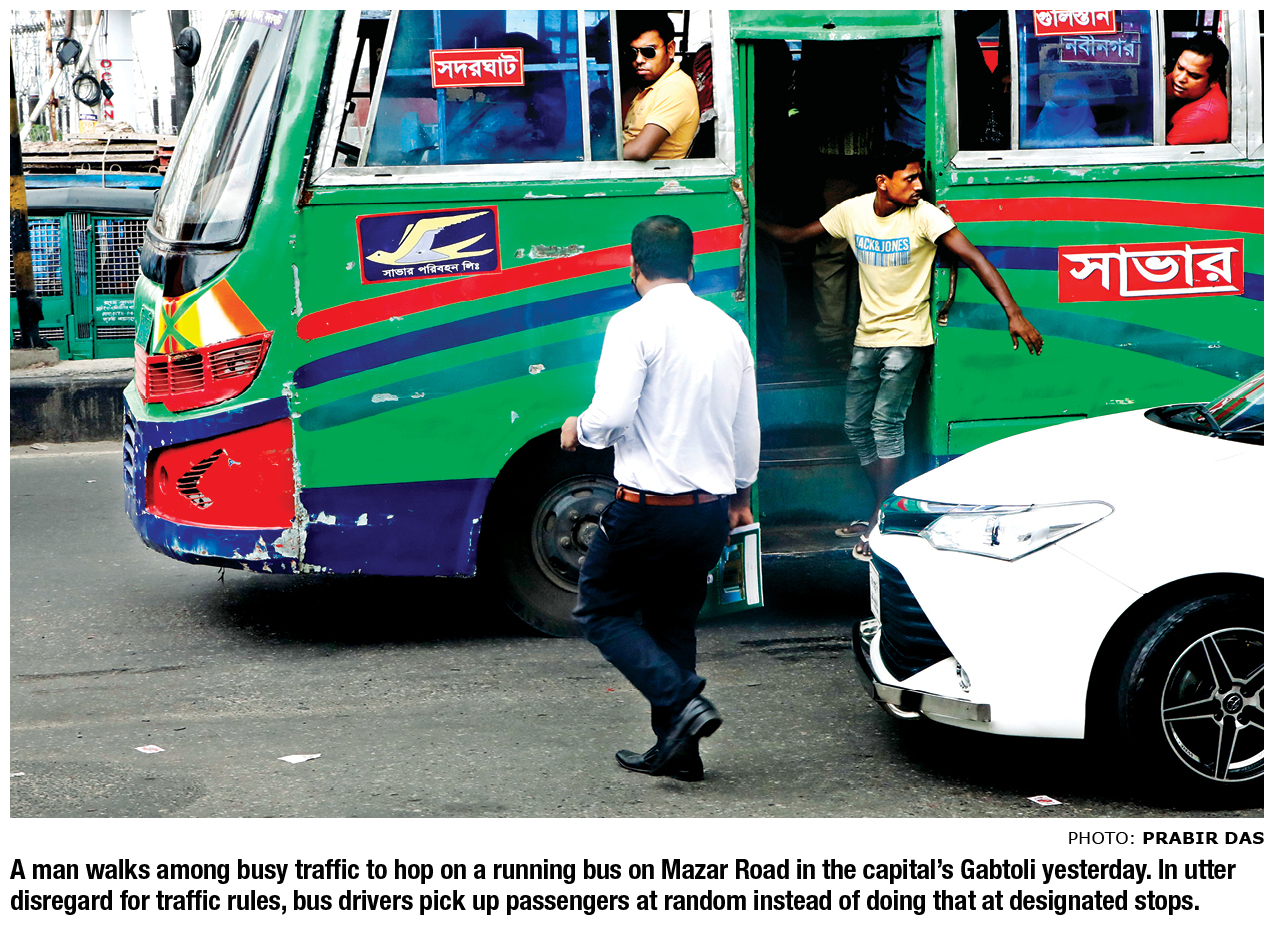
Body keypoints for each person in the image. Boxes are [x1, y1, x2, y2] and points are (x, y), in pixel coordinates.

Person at [759, 142, 1043, 561]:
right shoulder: (852, 211)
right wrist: (747, 218)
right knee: (855, 426)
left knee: (885, 424)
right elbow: (797, 236)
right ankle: (882, 506)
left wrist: (1013, 313)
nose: (919, 185)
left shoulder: (926, 216)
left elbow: (975, 258)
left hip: (907, 339)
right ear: (882, 182)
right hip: (866, 338)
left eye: (918, 177)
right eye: (909, 178)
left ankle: (880, 515)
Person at [560, 215, 759, 780]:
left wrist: (579, 428)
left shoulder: (632, 323)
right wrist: (741, 495)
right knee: (673, 624)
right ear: (692, 267)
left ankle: (682, 699)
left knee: (601, 610)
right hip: (708, 513)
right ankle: (680, 754)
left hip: (647, 512)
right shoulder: (727, 328)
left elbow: (612, 415)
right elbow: (746, 428)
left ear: (634, 266)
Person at [618, 12, 699, 160]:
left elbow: (641, 151)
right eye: (633, 52)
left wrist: (601, 155)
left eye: (648, 51)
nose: (639, 59)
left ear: (670, 49)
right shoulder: (649, 87)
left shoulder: (674, 87)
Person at [1166, 33, 1230, 145]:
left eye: (1194, 76)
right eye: (1180, 68)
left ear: (1213, 81)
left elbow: (1159, 153)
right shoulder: (1177, 80)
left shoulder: (1203, 115)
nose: (1180, 78)